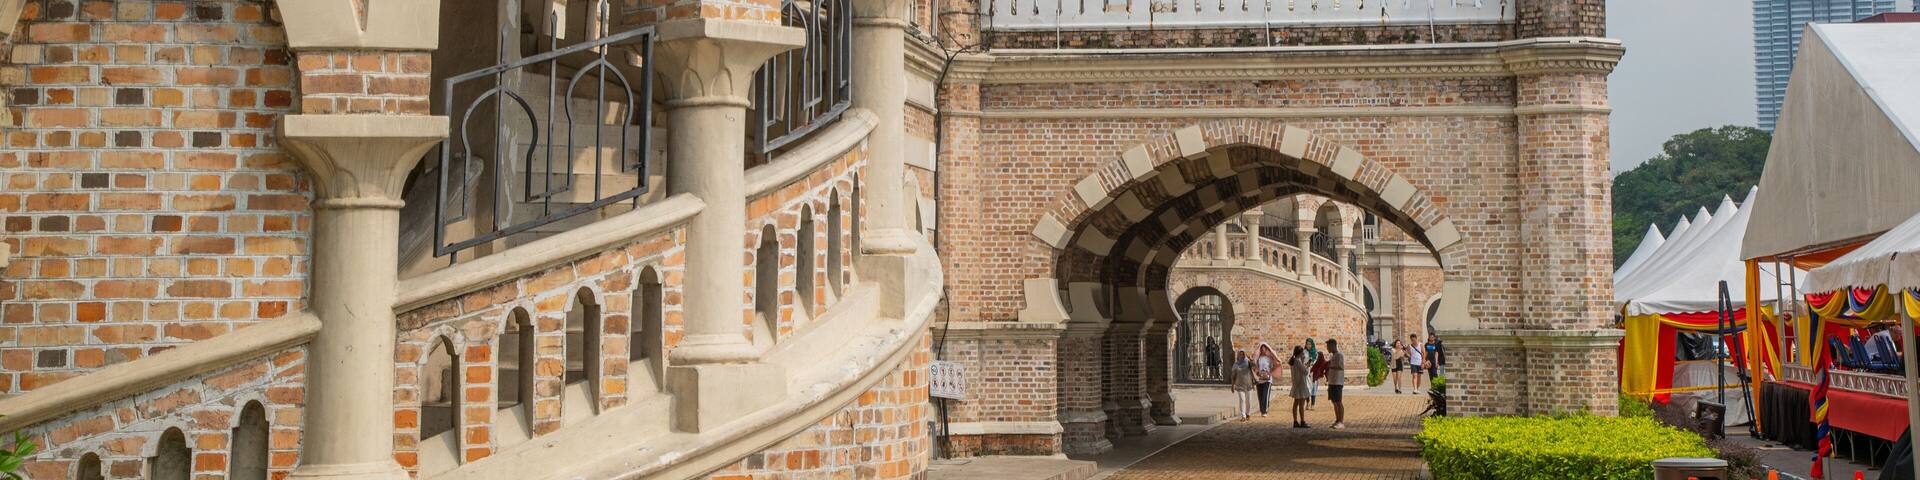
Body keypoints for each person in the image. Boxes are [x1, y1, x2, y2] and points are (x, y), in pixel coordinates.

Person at [1325, 339, 1347, 429]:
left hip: (1338, 382)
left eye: (1328, 346)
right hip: (1332, 381)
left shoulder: (1339, 355)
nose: (1327, 348)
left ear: (1333, 346)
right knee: (1334, 402)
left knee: (1338, 402)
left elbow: (1341, 367)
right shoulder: (1332, 356)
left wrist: (1330, 366)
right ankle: (1337, 420)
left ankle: (1341, 421)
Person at [1254, 343, 1280, 417]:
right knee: (1260, 395)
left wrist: (1268, 372)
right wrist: (1258, 371)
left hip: (1267, 379)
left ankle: (1265, 411)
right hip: (1260, 378)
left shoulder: (1269, 358)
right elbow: (1255, 366)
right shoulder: (1258, 358)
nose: (1263, 350)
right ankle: (1262, 409)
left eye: (1264, 349)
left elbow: (1273, 366)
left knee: (1265, 395)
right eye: (1261, 349)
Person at [1289, 345, 1311, 428]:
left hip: (1296, 383)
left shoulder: (1293, 360)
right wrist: (1308, 365)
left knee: (1296, 403)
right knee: (1301, 404)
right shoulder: (1298, 361)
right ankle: (1302, 421)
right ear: (1300, 353)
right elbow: (1305, 372)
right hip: (1301, 384)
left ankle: (1295, 421)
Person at [1229, 349, 1255, 421]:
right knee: (1242, 400)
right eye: (1240, 354)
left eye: (1243, 354)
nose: (1242, 356)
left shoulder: (1248, 362)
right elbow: (1233, 376)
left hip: (1249, 384)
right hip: (1239, 385)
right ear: (1238, 355)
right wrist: (1232, 385)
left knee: (1248, 400)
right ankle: (1243, 415)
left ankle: (1248, 413)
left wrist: (1251, 359)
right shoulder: (1236, 365)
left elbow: (1255, 365)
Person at [1303, 338, 1320, 410]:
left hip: (1313, 372)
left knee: (1313, 388)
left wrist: (1311, 363)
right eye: (1307, 344)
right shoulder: (1304, 352)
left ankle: (1313, 404)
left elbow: (1316, 361)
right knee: (1306, 387)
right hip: (1306, 371)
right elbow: (1302, 360)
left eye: (1309, 344)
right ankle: (1308, 402)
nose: (1308, 345)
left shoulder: (1315, 353)